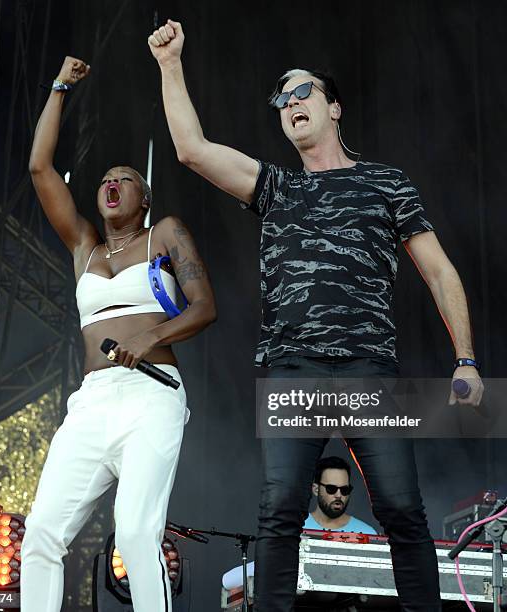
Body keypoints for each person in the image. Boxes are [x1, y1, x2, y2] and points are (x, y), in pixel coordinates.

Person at [148, 20, 484, 612]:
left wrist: (465, 359)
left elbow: (439, 272)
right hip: (292, 368)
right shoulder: (275, 187)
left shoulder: (385, 184)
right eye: (281, 99)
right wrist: (171, 64)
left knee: (402, 509)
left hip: (367, 369)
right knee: (278, 511)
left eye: (303, 92)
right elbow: (191, 151)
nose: (290, 103)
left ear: (334, 108)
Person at [20, 56, 216, 612]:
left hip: (152, 391)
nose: (111, 184)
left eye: (125, 179)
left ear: (145, 197)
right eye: (106, 179)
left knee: (134, 533)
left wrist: (148, 341)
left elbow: (205, 308)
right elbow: (40, 168)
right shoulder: (84, 245)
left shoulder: (165, 234)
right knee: (40, 536)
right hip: (91, 404)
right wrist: (59, 87)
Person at [222, 455, 375, 590]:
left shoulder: (368, 534)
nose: (338, 495)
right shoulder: (293, 528)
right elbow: (229, 580)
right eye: (331, 489)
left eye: (345, 490)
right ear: (315, 489)